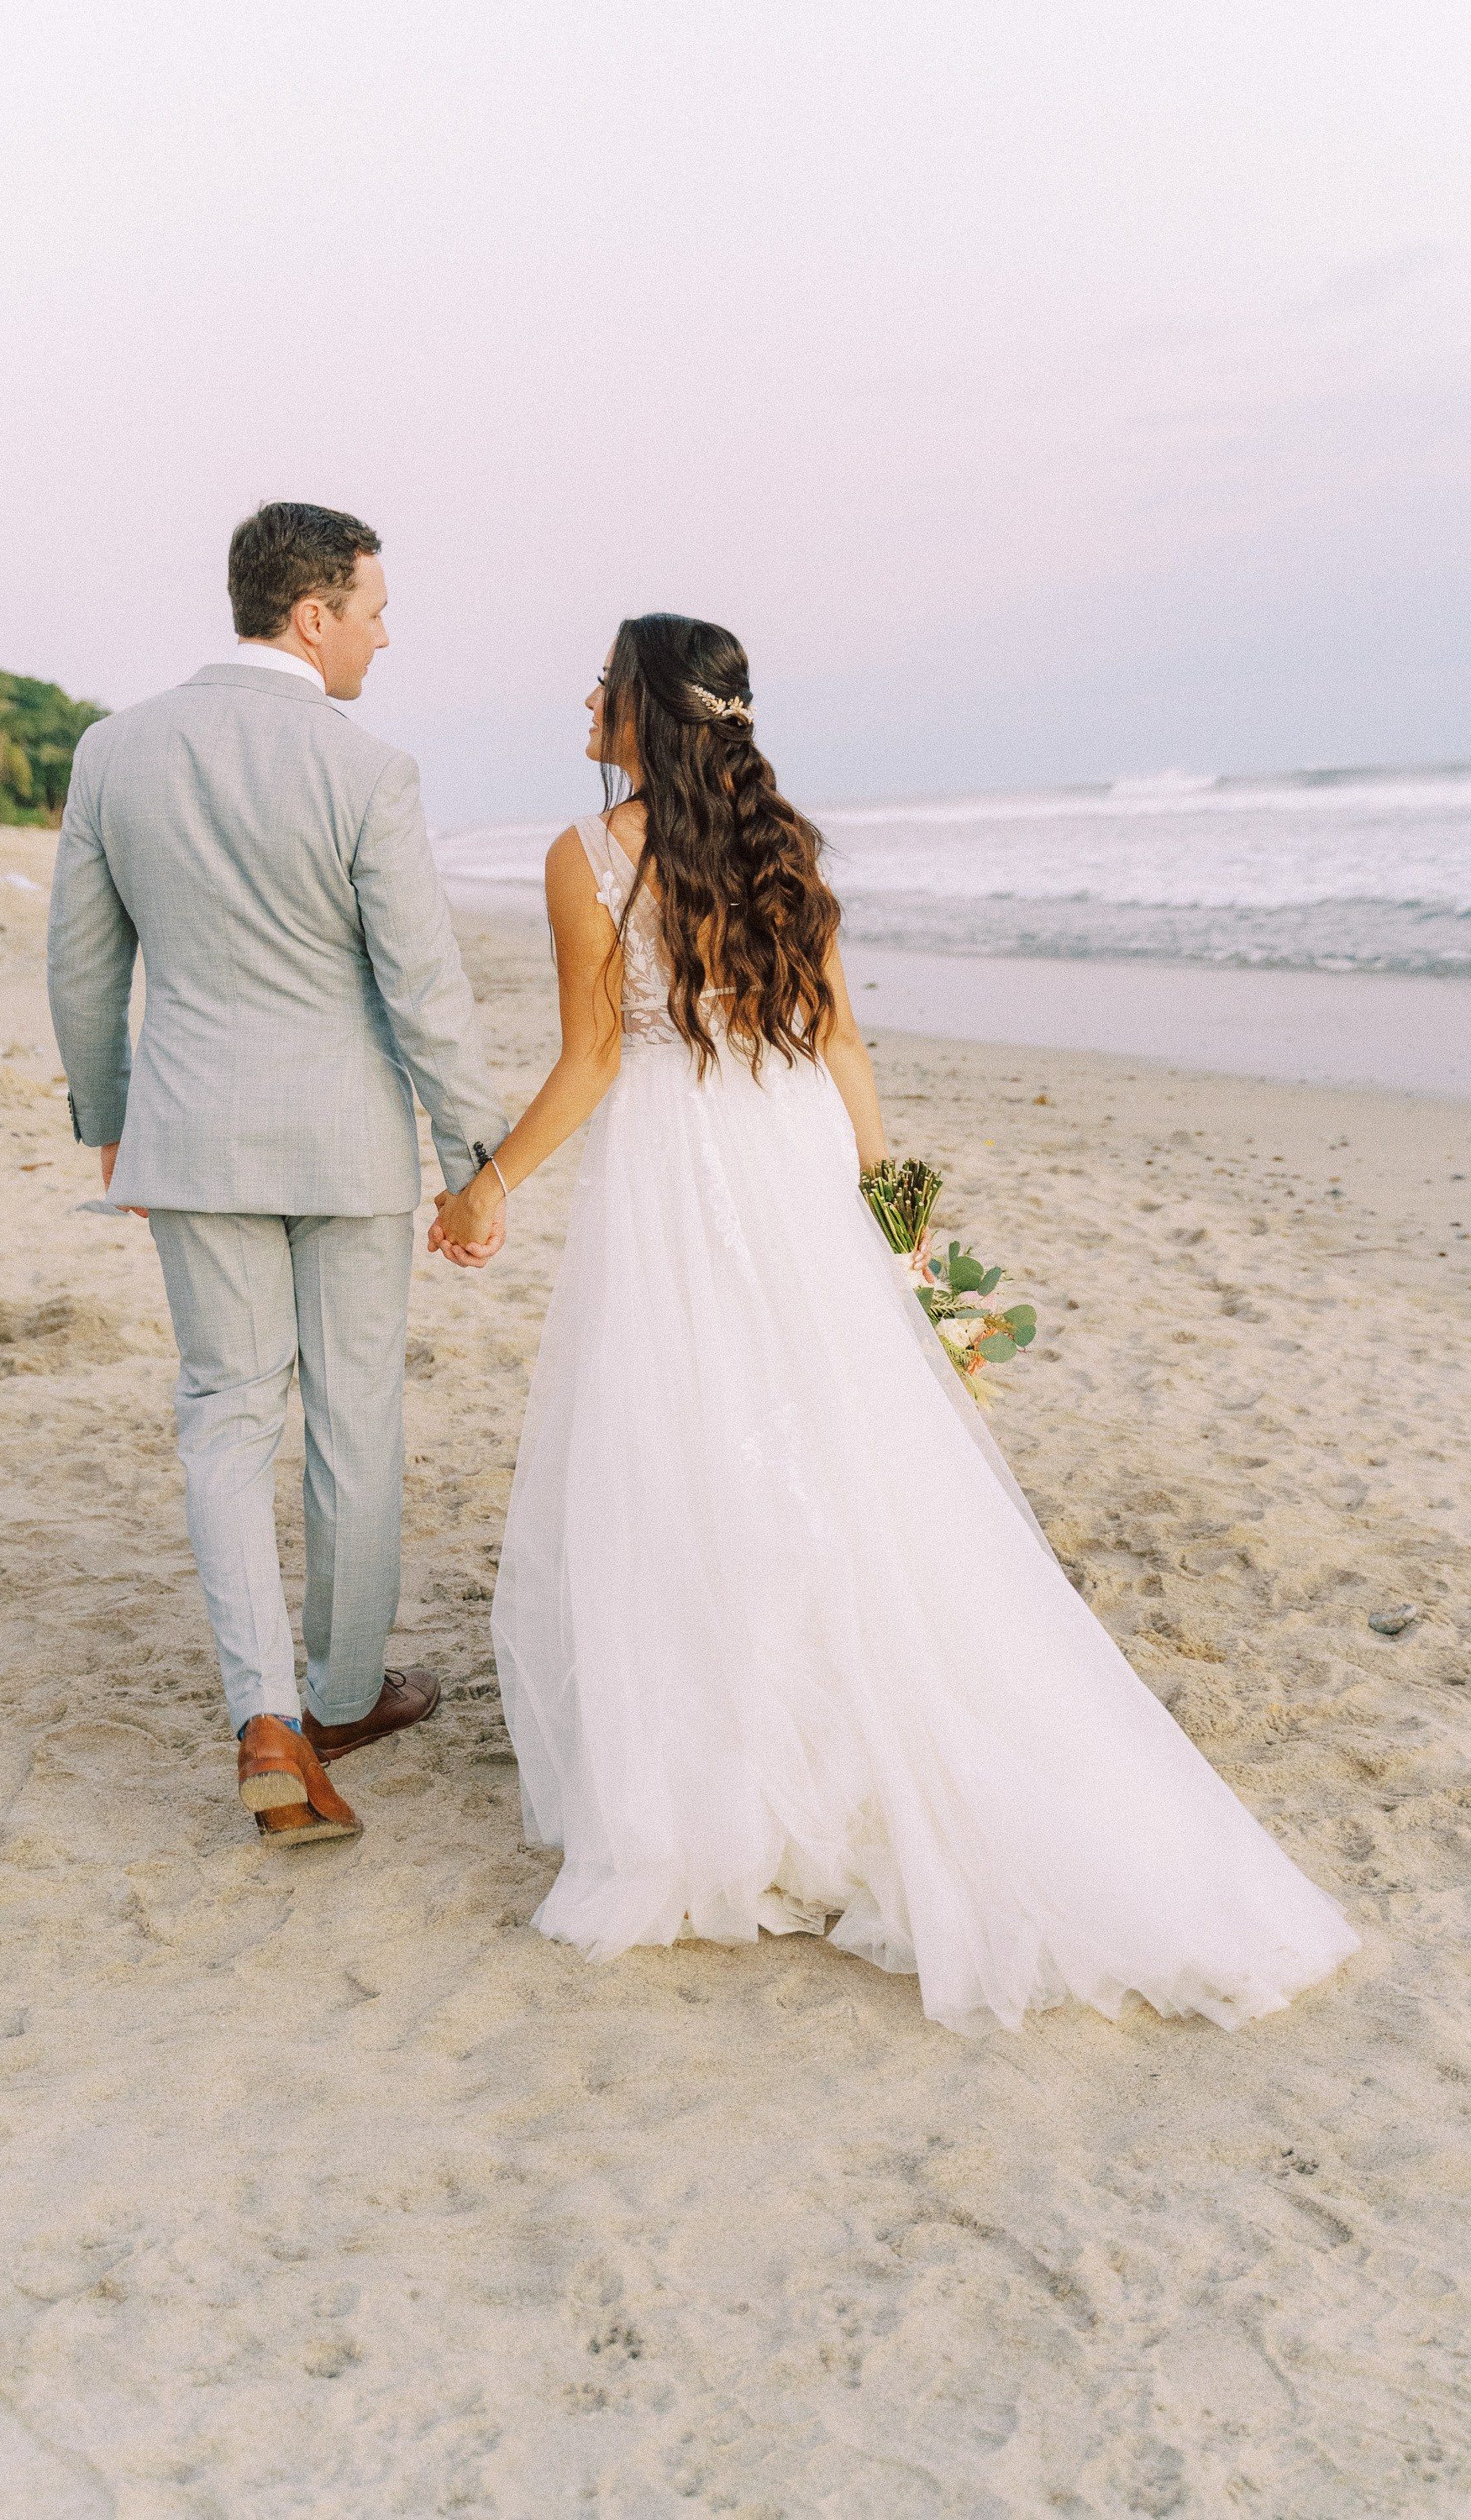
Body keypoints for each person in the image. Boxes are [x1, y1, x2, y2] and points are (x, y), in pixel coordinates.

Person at [430, 612, 1358, 2034]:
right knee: (839, 1443)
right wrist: (901, 1226)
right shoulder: (783, 845)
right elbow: (844, 1042)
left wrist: (487, 1182)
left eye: (602, 681)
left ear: (641, 712)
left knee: (694, 1447)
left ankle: (734, 1777)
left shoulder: (586, 852)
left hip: (687, 1168)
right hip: (796, 1151)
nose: (585, 698)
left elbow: (598, 1058)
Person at [48, 502, 508, 1846]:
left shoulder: (116, 751)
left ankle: (265, 1715)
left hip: (190, 1136)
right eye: (372, 608)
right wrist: (473, 1156)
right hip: (348, 1143)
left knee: (224, 1413)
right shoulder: (368, 769)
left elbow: (84, 965)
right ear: (312, 615)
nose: (382, 633)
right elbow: (423, 987)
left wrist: (110, 1115)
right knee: (351, 1417)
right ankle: (345, 1695)